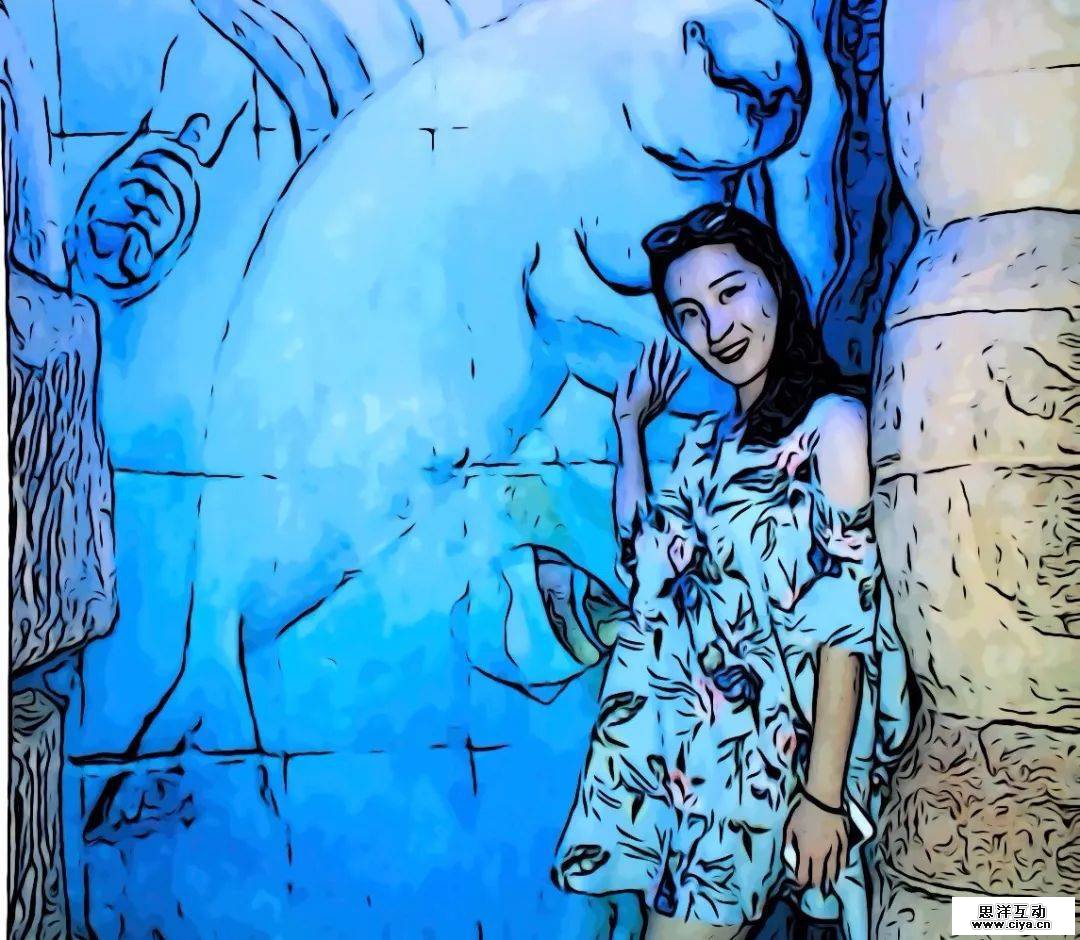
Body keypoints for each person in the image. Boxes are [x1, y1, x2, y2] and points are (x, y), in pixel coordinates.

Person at [549, 204, 912, 939]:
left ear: (776, 283)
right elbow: (646, 565)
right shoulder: (707, 444)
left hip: (761, 771)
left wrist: (823, 798)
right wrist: (629, 430)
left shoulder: (831, 428)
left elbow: (845, 627)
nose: (716, 328)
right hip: (686, 762)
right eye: (688, 313)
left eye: (730, 292)